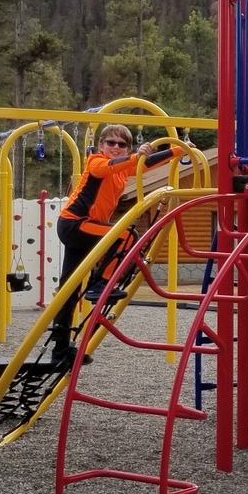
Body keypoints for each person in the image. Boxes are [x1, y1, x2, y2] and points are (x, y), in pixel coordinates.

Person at [40, 124, 181, 365]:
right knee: (125, 236)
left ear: (128, 146)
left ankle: (60, 350)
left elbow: (144, 165)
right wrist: (136, 156)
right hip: (75, 223)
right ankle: (100, 284)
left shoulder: (121, 171)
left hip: (87, 227)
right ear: (101, 145)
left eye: (121, 144)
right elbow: (116, 164)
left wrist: (177, 152)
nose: (115, 148)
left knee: (69, 288)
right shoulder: (95, 162)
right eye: (111, 143)